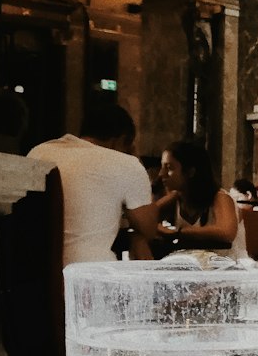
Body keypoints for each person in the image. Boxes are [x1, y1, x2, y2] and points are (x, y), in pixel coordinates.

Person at [27, 104, 162, 267]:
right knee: (138, 236)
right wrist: (134, 159)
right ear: (120, 140)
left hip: (33, 272)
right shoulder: (126, 163)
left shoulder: (39, 152)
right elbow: (149, 228)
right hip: (88, 276)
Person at [155, 140, 247, 257]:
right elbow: (144, 219)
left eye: (169, 168)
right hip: (195, 267)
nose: (161, 174)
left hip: (228, 267)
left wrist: (178, 232)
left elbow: (226, 232)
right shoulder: (176, 198)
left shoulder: (220, 197)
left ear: (190, 172)